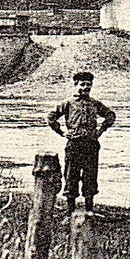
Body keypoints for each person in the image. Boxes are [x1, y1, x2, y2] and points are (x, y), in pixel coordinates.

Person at [47, 70, 117, 218]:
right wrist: (62, 133)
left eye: (89, 85)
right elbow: (51, 117)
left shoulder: (94, 104)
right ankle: (70, 211)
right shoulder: (68, 103)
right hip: (74, 144)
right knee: (71, 176)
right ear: (75, 85)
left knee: (90, 176)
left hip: (91, 145)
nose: (86, 88)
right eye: (83, 84)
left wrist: (101, 130)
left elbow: (110, 115)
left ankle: (89, 210)